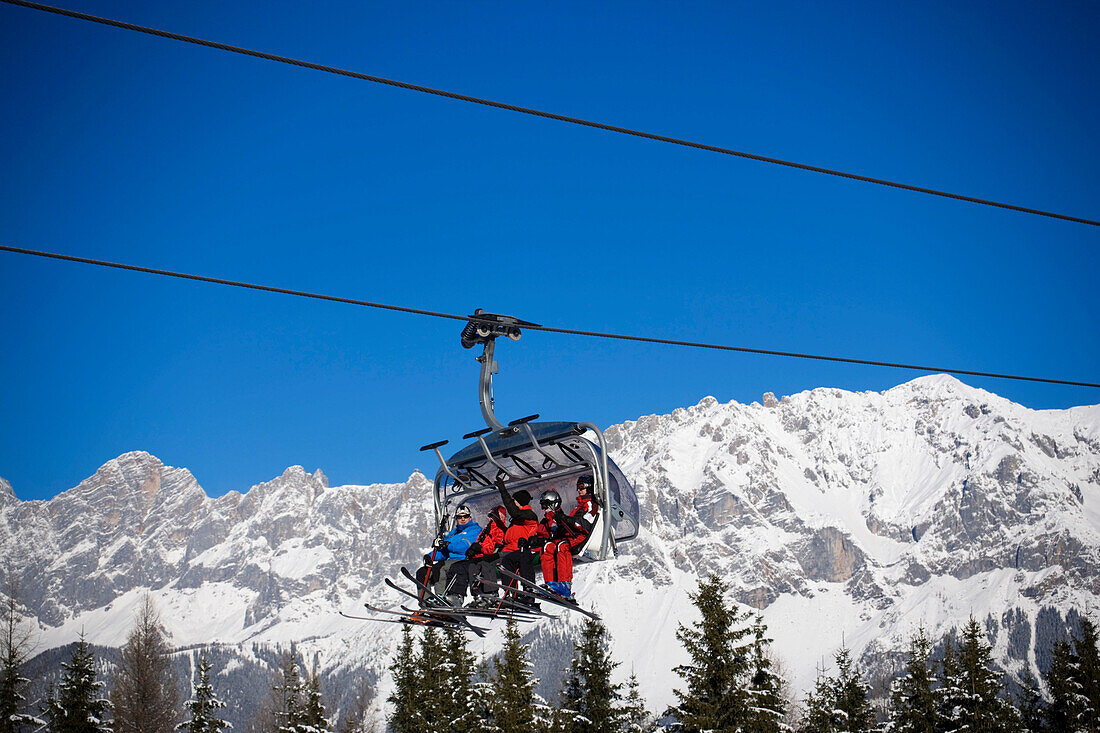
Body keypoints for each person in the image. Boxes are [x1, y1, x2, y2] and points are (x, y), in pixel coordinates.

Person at [536, 474, 599, 601]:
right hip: (571, 535)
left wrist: (564, 518)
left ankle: (565, 585)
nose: (578, 490)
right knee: (548, 546)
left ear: (590, 488)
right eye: (577, 487)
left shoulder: (592, 506)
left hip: (583, 536)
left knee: (562, 546)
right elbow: (566, 525)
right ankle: (551, 583)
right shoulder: (578, 507)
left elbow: (584, 524)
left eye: (581, 487)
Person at [415, 504, 481, 606]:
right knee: (422, 572)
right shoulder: (453, 533)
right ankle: (425, 602)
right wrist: (430, 556)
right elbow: (444, 552)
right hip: (449, 560)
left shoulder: (475, 530)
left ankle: (441, 598)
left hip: (463, 560)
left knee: (440, 567)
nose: (463, 519)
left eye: (465, 516)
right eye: (459, 517)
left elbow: (465, 547)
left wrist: (447, 544)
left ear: (470, 517)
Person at [447, 504, 507, 608]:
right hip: (479, 556)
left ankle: (487, 595)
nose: (488, 518)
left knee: (474, 566)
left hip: (490, 556)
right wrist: (473, 549)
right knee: (457, 566)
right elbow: (480, 543)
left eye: (491, 515)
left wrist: (479, 548)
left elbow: (493, 548)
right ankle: (456, 596)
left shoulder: (499, 529)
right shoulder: (487, 529)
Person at [494, 477, 541, 594]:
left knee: (507, 561)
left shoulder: (529, 516)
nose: (513, 503)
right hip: (507, 550)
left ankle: (512, 593)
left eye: (514, 501)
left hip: (519, 550)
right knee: (481, 562)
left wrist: (503, 491)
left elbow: (514, 512)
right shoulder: (515, 522)